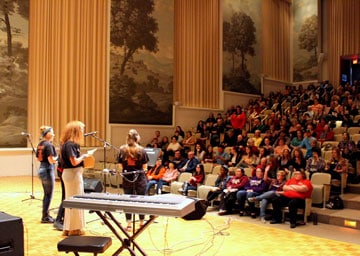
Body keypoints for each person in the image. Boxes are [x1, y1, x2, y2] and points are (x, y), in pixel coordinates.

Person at [60, 121, 89, 236]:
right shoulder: (71, 144)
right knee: (76, 201)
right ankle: (75, 229)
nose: (83, 132)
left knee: (71, 202)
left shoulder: (66, 144)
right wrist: (84, 156)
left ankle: (68, 228)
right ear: (76, 131)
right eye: (81, 130)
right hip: (73, 175)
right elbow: (74, 162)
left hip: (70, 174)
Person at [117, 129, 149, 232]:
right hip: (140, 179)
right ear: (137, 138)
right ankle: (141, 223)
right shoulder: (142, 150)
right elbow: (145, 167)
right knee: (141, 200)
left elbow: (119, 165)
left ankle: (129, 224)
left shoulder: (122, 149)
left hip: (127, 178)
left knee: (128, 201)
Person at [35, 125, 58, 224]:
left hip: (42, 168)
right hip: (48, 170)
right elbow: (51, 160)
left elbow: (38, 158)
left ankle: (46, 214)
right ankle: (45, 217)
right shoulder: (48, 145)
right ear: (47, 134)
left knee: (46, 194)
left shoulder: (40, 144)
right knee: (48, 194)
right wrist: (57, 159)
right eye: (52, 132)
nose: (54, 134)